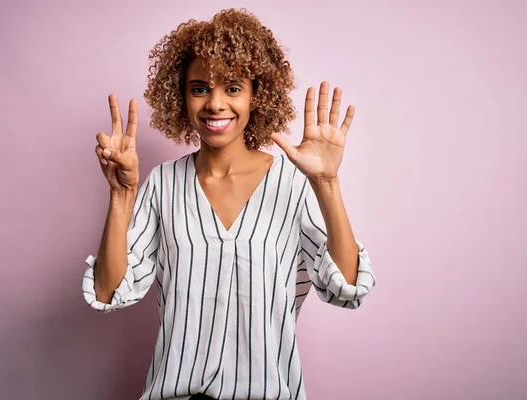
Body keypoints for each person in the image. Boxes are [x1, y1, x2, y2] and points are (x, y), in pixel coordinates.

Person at [82, 8, 375, 400]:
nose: (215, 103)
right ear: (181, 96)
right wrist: (120, 196)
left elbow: (347, 289)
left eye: (233, 87)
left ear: (258, 95)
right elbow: (108, 292)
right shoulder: (164, 184)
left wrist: (326, 182)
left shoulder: (291, 182)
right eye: (200, 87)